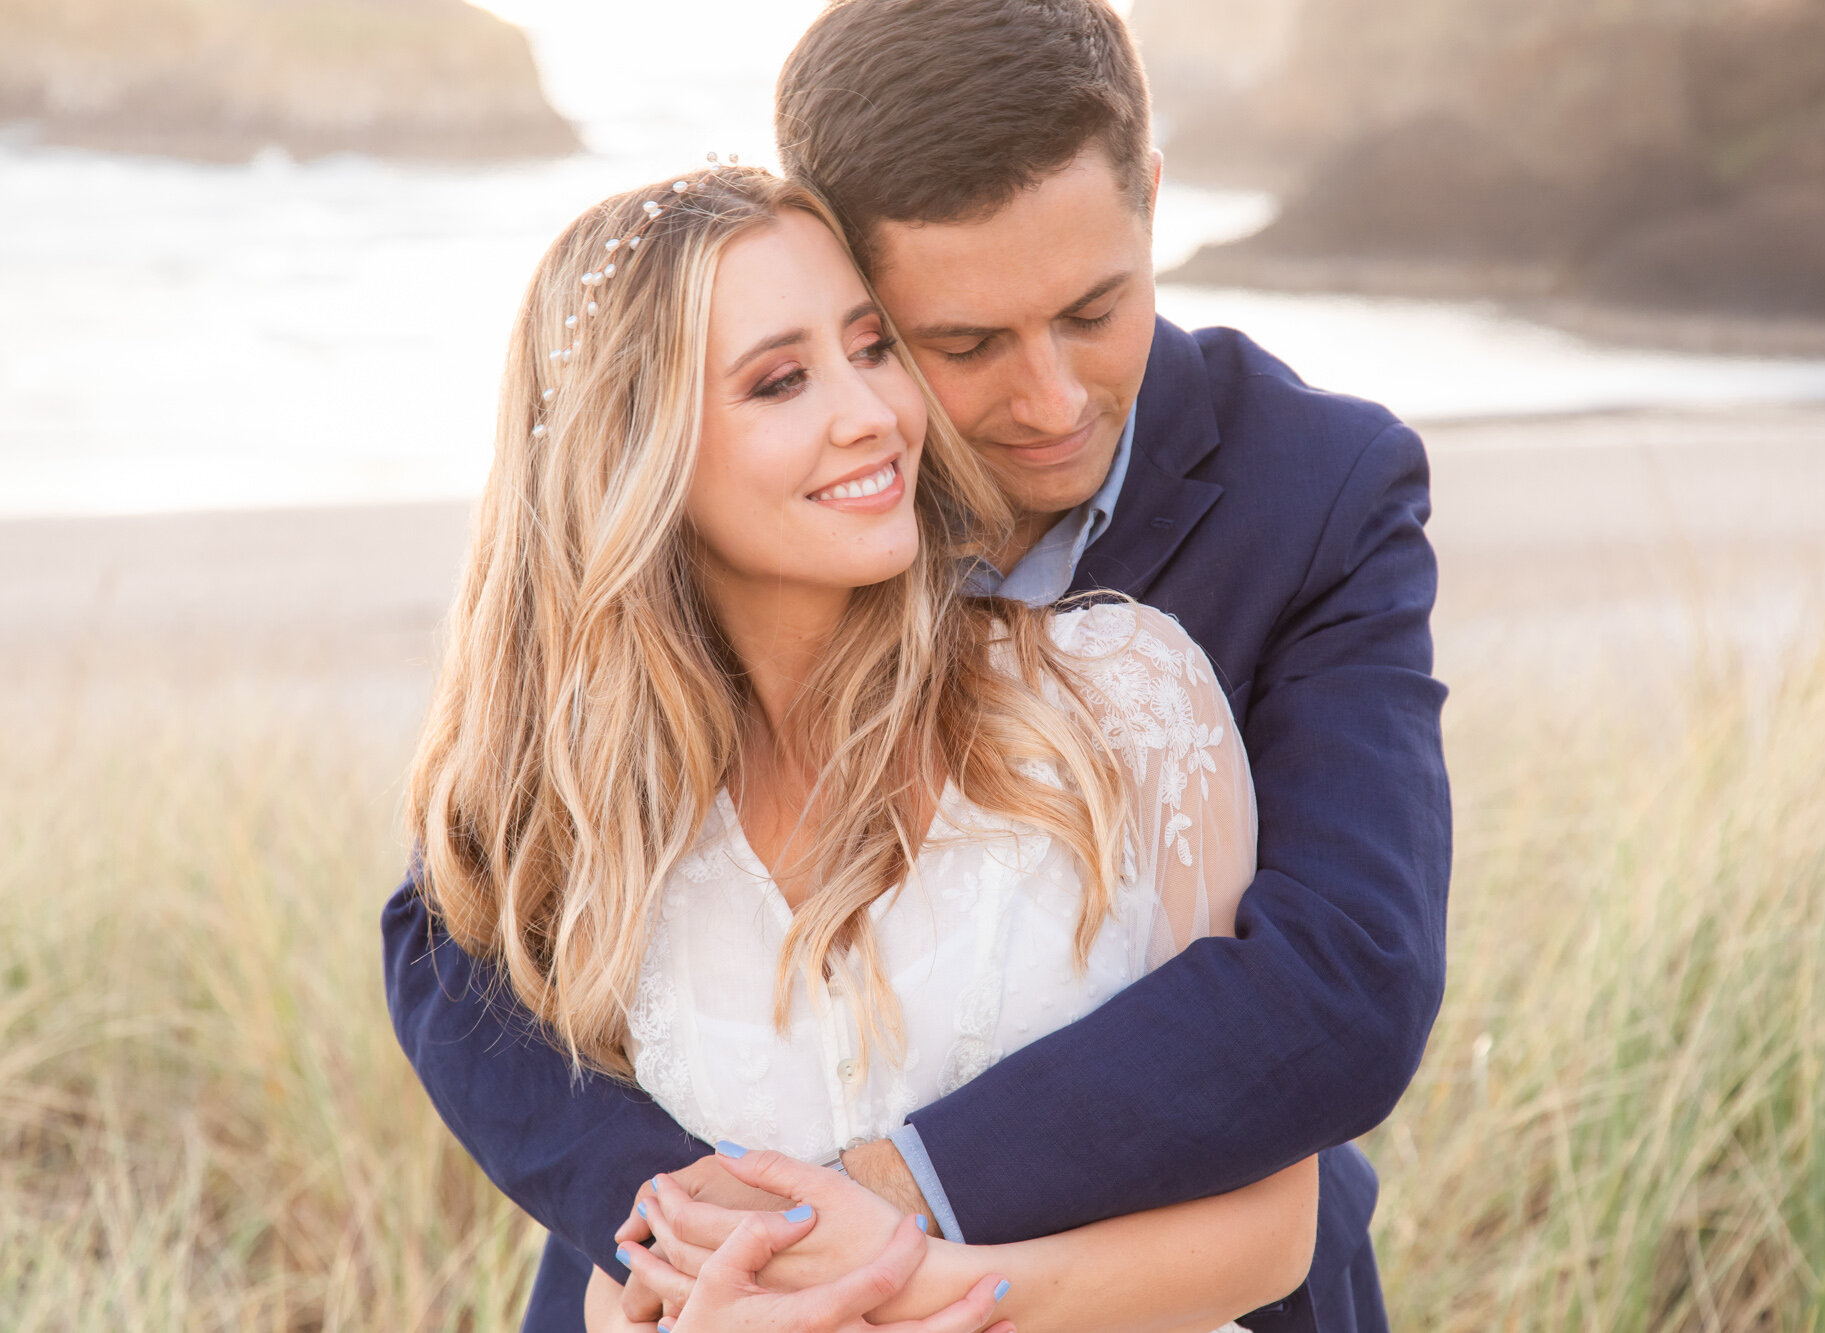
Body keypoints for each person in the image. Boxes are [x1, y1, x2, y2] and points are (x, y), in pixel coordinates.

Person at [381, 2, 1449, 1329]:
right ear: (841, 264)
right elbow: (452, 930)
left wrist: (894, 1205)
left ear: (1150, 200)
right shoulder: (732, 571)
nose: (1052, 402)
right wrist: (684, 1230)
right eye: (961, 342)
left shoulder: (1313, 495)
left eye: (1094, 309)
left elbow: (1348, 978)